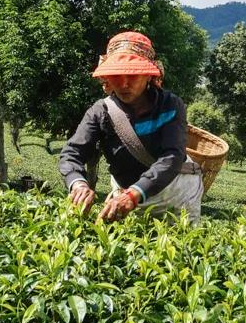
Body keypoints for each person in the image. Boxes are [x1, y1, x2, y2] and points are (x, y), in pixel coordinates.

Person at [59, 31, 203, 224]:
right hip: (124, 198)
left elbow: (172, 156)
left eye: (132, 74)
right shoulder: (100, 111)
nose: (124, 83)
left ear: (148, 75)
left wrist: (135, 194)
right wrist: (77, 184)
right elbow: (72, 153)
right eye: (117, 75)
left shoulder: (169, 105)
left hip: (175, 194)